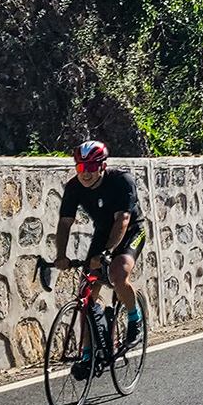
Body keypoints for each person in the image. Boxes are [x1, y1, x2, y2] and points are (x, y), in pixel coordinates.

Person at [52, 139, 146, 376]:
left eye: (91, 168)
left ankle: (135, 318)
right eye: (81, 168)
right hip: (103, 232)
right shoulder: (74, 187)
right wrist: (61, 255)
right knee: (86, 293)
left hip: (131, 230)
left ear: (102, 166)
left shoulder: (121, 181)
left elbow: (123, 220)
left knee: (117, 273)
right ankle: (88, 353)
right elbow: (64, 224)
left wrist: (106, 254)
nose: (86, 173)